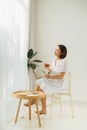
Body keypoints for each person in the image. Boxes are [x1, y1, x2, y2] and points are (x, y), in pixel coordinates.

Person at [24, 44, 67, 115]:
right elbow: (52, 71)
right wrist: (48, 68)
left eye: (57, 50)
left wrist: (50, 77)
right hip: (52, 80)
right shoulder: (54, 60)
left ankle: (33, 100)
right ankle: (43, 109)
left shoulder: (63, 62)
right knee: (41, 87)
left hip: (58, 83)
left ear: (62, 52)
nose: (55, 51)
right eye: (55, 49)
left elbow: (61, 76)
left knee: (41, 82)